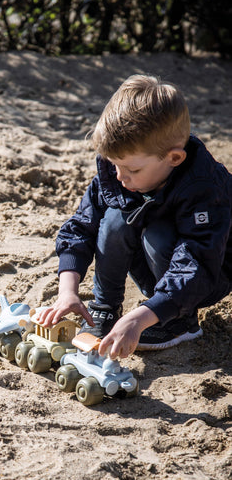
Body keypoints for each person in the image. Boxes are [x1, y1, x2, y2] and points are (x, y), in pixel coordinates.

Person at [36, 74, 232, 359]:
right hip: (158, 269)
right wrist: (68, 291)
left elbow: (197, 264)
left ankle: (179, 321)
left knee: (158, 234)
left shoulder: (204, 188)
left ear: (174, 159)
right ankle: (104, 308)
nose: (120, 176)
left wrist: (140, 318)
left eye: (132, 170)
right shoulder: (120, 173)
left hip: (207, 276)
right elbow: (80, 227)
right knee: (114, 219)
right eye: (113, 164)